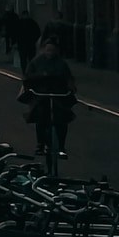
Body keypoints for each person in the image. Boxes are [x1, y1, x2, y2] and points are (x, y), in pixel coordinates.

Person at [20, 34, 77, 171]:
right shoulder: (36, 62)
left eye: (52, 50)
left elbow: (68, 78)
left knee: (62, 119)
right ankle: (40, 144)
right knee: (40, 116)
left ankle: (61, 146)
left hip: (58, 94)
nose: (50, 53)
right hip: (42, 94)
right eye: (48, 50)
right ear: (44, 50)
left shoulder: (62, 64)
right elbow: (28, 77)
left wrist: (71, 88)